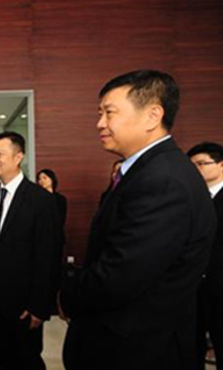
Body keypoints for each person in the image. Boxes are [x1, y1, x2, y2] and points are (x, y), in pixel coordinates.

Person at [58, 70, 217, 370]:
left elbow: (121, 275)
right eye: (99, 113)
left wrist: (66, 294)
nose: (100, 123)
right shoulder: (149, 171)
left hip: (139, 349)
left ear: (152, 115)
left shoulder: (163, 180)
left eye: (109, 112)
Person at [0, 131, 62, 370]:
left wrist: (40, 306)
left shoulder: (41, 200)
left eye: (0, 153)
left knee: (27, 359)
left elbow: (48, 255)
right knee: (3, 355)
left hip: (24, 301)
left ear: (18, 157)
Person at [188, 142, 223, 370]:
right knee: (191, 348)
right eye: (192, 166)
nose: (196, 170)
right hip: (193, 289)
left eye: (201, 164)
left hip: (221, 287)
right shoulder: (192, 198)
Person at [37, 168, 68, 240]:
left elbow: (61, 219)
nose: (41, 181)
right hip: (40, 236)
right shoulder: (36, 198)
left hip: (56, 235)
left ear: (52, 180)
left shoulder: (61, 199)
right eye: (39, 179)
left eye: (44, 178)